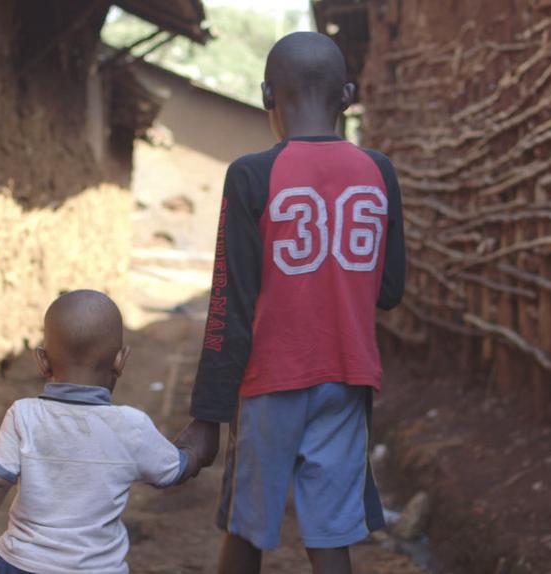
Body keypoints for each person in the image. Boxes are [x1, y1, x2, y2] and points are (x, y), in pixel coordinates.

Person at [174, 31, 406, 574]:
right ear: (347, 95)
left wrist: (208, 416)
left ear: (265, 96)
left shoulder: (251, 175)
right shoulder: (380, 173)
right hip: (348, 378)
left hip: (268, 385)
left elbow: (230, 305)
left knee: (247, 527)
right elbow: (390, 291)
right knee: (331, 534)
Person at [0, 290, 196, 574]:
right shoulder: (132, 426)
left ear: (42, 361)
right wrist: (201, 445)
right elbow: (176, 471)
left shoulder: (23, 415)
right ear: (121, 360)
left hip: (20, 564)